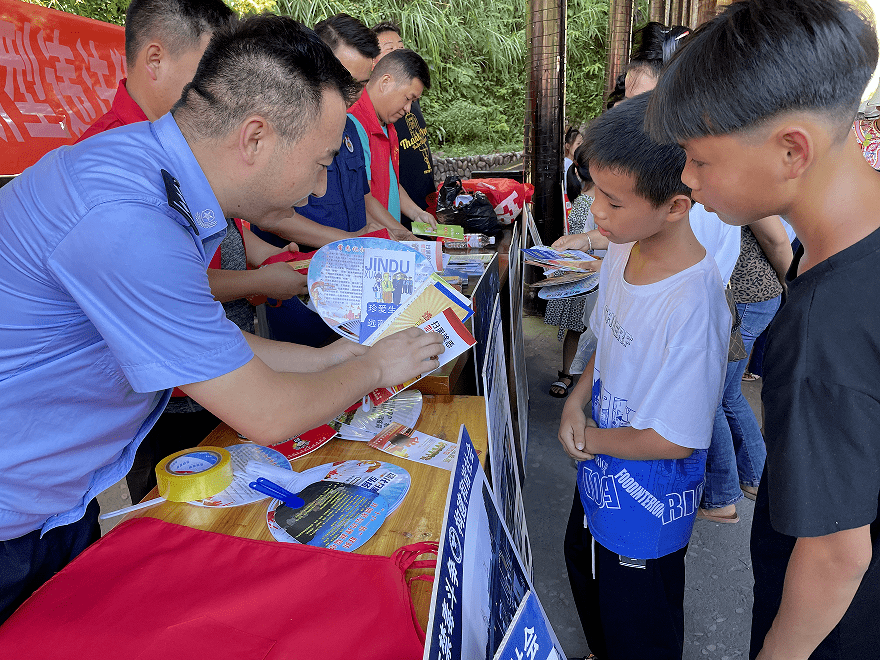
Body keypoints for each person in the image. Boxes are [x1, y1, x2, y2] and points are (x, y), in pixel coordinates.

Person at [0, 15, 444, 623]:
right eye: (319, 163)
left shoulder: (154, 182)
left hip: (54, 500)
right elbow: (266, 413)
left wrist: (335, 357)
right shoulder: (127, 216)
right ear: (255, 138)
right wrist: (371, 367)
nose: (319, 190)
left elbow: (218, 348)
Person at [646, 0, 880, 657]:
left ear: (790, 150)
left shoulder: (822, 324)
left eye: (699, 158)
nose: (688, 180)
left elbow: (835, 553)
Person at [75, 0, 311, 505]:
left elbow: (232, 233)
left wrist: (270, 262)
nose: (220, 92)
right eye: (208, 71)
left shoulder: (190, 148)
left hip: (224, 352)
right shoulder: (112, 167)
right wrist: (259, 283)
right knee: (184, 511)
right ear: (155, 59)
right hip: (171, 394)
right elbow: (168, 282)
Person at [558, 92, 730, 659]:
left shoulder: (693, 304)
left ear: (676, 206)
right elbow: (606, 346)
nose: (595, 213)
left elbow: (677, 438)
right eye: (592, 191)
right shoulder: (621, 247)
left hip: (648, 505)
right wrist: (574, 402)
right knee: (583, 572)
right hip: (601, 475)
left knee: (641, 626)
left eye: (611, 201)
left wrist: (587, 438)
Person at [250, 12, 413, 348]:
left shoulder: (350, 128)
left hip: (353, 285)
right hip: (303, 290)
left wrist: (390, 233)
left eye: (360, 84)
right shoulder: (282, 129)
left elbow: (363, 195)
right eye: (344, 80)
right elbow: (274, 217)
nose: (352, 94)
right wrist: (346, 242)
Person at [697, 217, 792, 524]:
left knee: (713, 397)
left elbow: (777, 241)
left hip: (746, 301)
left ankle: (722, 498)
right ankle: (753, 476)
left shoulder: (746, 181)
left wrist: (792, 285)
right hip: (742, 299)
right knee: (726, 394)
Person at [348, 48, 436, 228]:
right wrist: (402, 234)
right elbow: (364, 198)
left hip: (388, 238)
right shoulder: (354, 124)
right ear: (386, 82)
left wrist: (416, 212)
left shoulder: (389, 125)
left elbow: (390, 182)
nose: (408, 109)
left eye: (413, 102)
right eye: (408, 98)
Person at [545, 142, 603, 398]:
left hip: (599, 275)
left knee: (590, 330)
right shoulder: (585, 204)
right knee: (579, 327)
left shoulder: (597, 202)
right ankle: (569, 374)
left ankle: (579, 377)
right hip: (584, 276)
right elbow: (579, 242)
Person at [373, 21, 437, 226]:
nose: (408, 108)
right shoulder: (361, 121)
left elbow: (389, 177)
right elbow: (364, 193)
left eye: (401, 47)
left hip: (414, 209)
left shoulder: (395, 114)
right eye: (390, 49)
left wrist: (417, 212)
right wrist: (397, 229)